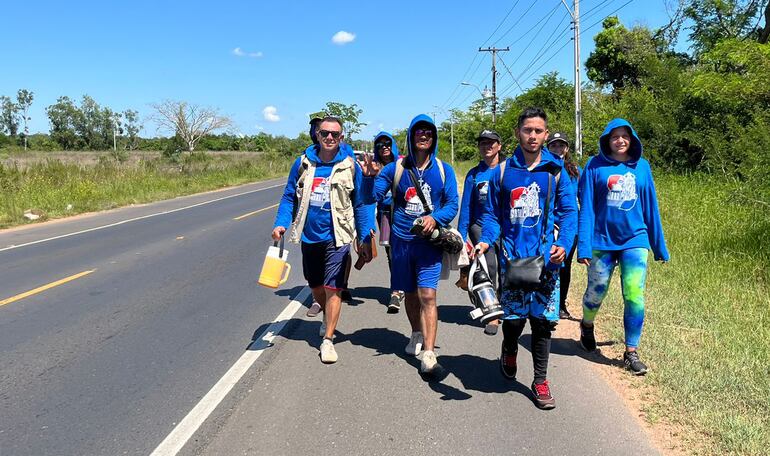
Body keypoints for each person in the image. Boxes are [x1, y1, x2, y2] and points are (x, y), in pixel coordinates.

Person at [477, 107, 577, 409]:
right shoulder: (503, 172)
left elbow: (569, 212)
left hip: (547, 261)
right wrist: (485, 241)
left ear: (545, 135)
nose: (532, 136)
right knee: (514, 320)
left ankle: (540, 380)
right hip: (512, 259)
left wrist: (564, 243)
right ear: (518, 133)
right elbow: (492, 215)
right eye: (527, 130)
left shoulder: (556, 171)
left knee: (543, 323)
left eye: (538, 131)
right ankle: (509, 348)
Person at [272, 116, 373, 364]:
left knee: (333, 287)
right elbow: (288, 197)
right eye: (325, 133)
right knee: (315, 285)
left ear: (341, 138)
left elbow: (360, 203)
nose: (329, 138)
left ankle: (328, 340)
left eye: (335, 134)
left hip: (338, 237)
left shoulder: (350, 166)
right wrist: (281, 223)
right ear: (317, 134)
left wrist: (364, 236)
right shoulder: (303, 164)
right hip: (309, 236)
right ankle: (327, 317)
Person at [576, 118, 669, 375]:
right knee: (596, 293)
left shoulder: (642, 167)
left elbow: (651, 206)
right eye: (614, 136)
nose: (620, 140)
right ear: (607, 139)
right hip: (602, 240)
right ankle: (587, 324)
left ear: (632, 139)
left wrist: (659, 246)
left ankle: (631, 352)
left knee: (634, 294)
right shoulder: (594, 166)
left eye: (624, 136)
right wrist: (583, 246)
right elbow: (587, 208)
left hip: (635, 240)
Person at [372, 114, 458, 376]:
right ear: (411, 137)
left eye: (428, 132)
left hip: (428, 245)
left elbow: (452, 204)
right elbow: (372, 196)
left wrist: (434, 218)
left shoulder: (444, 170)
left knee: (428, 295)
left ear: (434, 138)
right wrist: (366, 179)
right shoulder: (395, 169)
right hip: (401, 244)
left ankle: (430, 353)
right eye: (418, 132)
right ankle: (415, 333)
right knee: (410, 294)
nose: (424, 135)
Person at [457, 130, 504, 335]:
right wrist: (461, 237)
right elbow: (466, 206)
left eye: (491, 143)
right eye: (483, 143)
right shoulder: (474, 174)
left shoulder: (508, 170)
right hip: (480, 227)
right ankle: (491, 314)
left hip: (506, 228)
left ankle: (505, 306)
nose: (487, 146)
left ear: (499, 146)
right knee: (489, 267)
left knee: (508, 269)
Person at [546, 132, 581, 319]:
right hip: (550, 225)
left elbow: (582, 200)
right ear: (548, 147)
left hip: (569, 226)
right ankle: (545, 301)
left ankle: (561, 304)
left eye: (561, 146)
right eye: (554, 145)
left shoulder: (575, 171)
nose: (558, 149)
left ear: (566, 148)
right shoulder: (544, 168)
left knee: (565, 265)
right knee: (548, 262)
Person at [370, 131, 405, 313]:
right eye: (380, 144)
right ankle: (396, 290)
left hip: (404, 214)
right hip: (384, 215)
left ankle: (410, 286)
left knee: (406, 251)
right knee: (391, 252)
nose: (384, 147)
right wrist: (370, 176)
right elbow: (369, 197)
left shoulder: (403, 163)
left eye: (387, 143)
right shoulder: (373, 166)